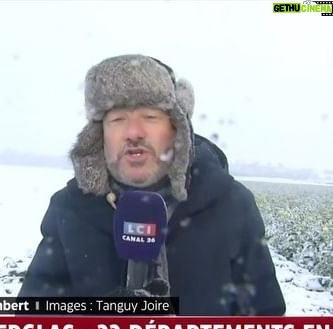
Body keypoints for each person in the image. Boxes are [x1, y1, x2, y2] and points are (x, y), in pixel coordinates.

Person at [18, 54, 286, 315]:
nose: (133, 132)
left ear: (176, 129)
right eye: (118, 119)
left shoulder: (231, 205)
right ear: (100, 135)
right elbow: (33, 323)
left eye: (149, 116)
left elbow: (266, 327)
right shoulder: (70, 209)